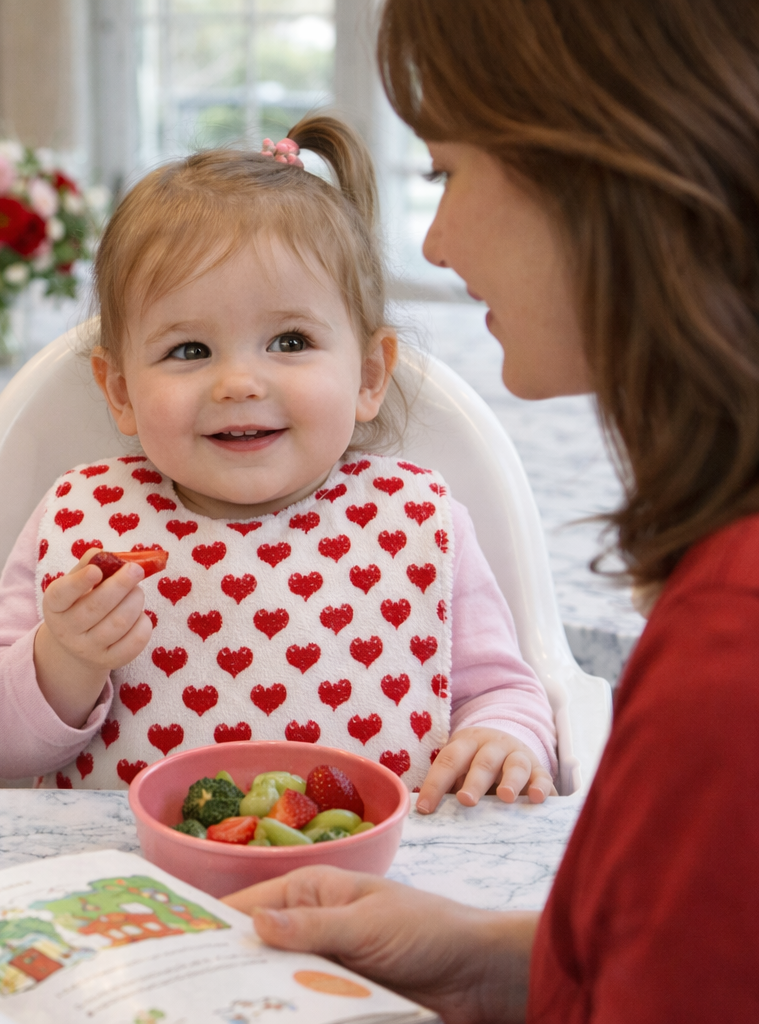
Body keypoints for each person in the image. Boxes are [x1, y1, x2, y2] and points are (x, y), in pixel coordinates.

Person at [224, 1, 759, 1020]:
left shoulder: (735, 651)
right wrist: (477, 956)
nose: (435, 239)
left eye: (449, 173)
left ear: (608, 176)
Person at [0, 113, 556, 809]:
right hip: (132, 890)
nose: (238, 382)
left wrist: (503, 737)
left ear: (367, 376)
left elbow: (505, 691)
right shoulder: (86, 526)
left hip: (373, 893)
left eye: (291, 341)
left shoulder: (420, 523)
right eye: (189, 351)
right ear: (121, 393)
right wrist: (65, 658)